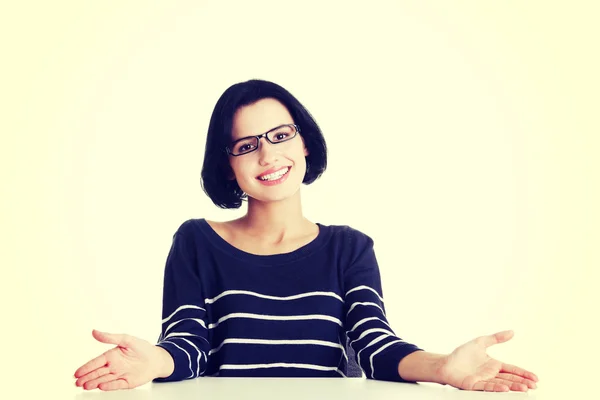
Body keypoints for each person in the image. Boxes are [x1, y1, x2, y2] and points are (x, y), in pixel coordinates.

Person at [73, 79, 539, 392]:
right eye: (247, 146)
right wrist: (154, 363)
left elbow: (374, 346)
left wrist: (443, 369)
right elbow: (187, 344)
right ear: (229, 166)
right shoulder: (196, 241)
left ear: (304, 143)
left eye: (280, 136)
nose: (268, 155)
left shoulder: (349, 247)